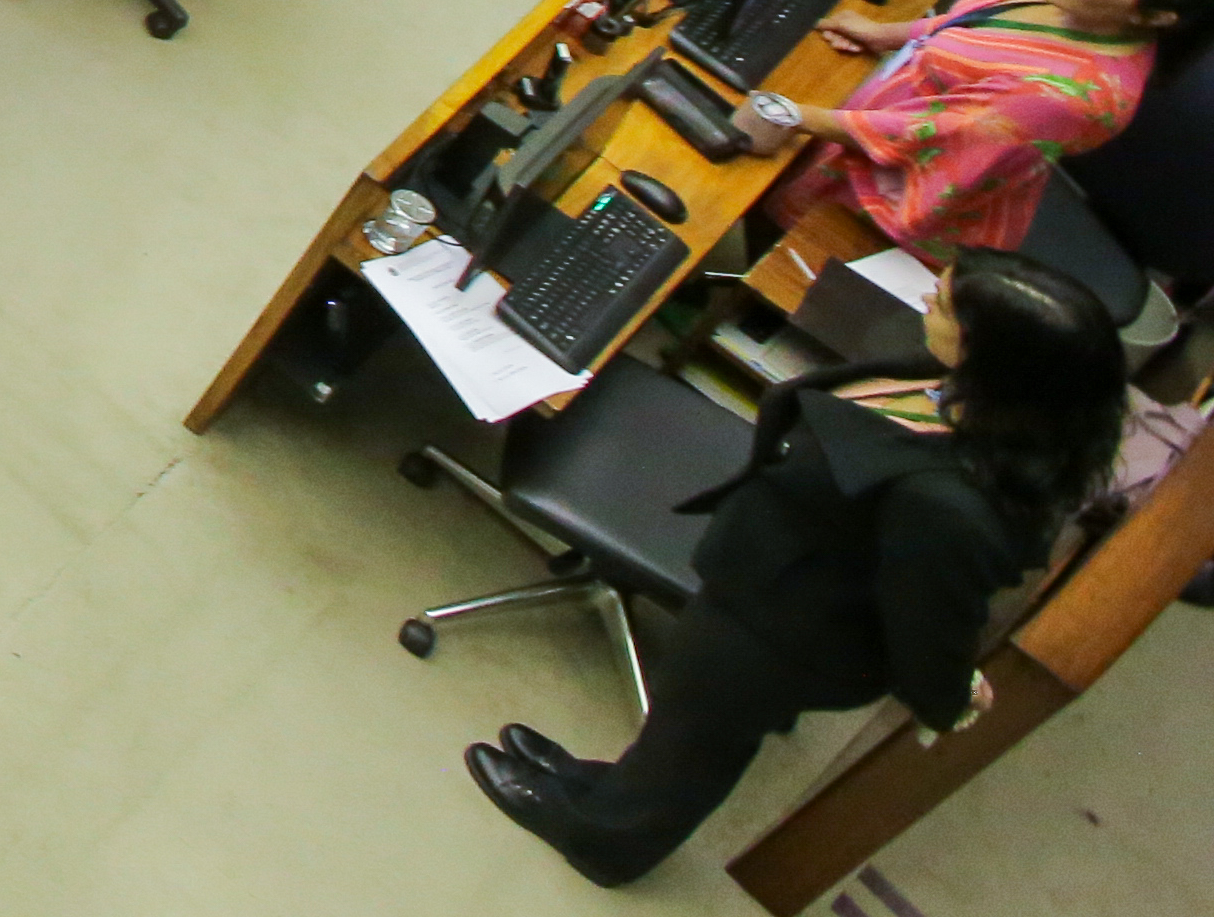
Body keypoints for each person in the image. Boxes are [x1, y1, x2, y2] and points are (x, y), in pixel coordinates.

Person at [461, 254, 1123, 884]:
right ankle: (608, 789)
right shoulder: (965, 390)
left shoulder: (953, 504)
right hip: (768, 568)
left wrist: (948, 697)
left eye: (945, 306)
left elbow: (931, 621)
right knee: (683, 724)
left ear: (996, 357)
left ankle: (605, 841)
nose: (927, 301)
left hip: (784, 635)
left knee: (698, 742)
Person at [748, 0, 1204, 262]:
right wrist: (882, 33)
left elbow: (923, 136)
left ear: (1152, 16)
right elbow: (971, 21)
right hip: (869, 113)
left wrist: (785, 113)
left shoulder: (1066, 98)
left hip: (891, 184)